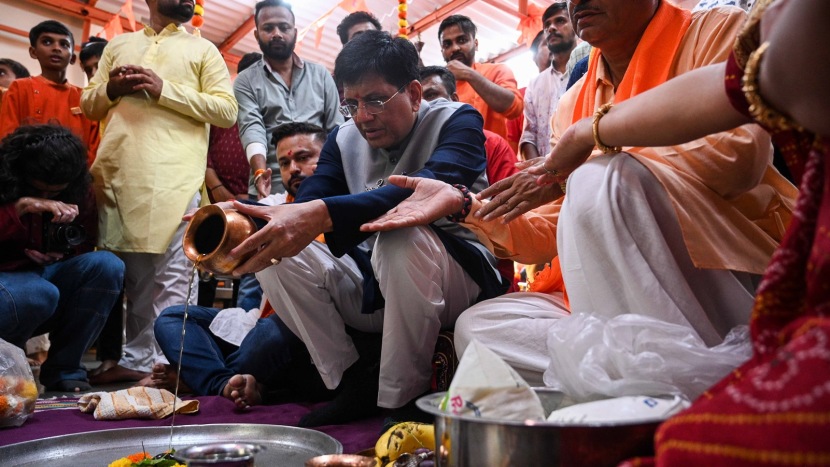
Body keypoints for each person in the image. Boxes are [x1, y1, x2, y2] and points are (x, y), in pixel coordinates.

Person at [362, 0, 796, 388]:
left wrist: (600, 145)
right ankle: (642, 383)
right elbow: (551, 231)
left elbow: (737, 160)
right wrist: (465, 205)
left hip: (724, 276)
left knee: (601, 180)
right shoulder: (571, 104)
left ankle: (664, 398)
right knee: (481, 330)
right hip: (606, 303)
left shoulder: (716, 28)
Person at [225, 30, 505, 426]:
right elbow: (308, 205)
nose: (362, 116)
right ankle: (351, 381)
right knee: (275, 250)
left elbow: (421, 196)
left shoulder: (458, 120)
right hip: (377, 278)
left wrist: (321, 214)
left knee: (402, 233)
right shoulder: (344, 138)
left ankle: (400, 398)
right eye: (351, 104)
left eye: (375, 100)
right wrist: (239, 217)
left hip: (458, 279)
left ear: (412, 92)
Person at [81, 0, 237, 385]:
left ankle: (174, 364)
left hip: (176, 176)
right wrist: (113, 89)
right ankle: (137, 359)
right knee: (135, 281)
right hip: (121, 174)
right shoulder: (118, 46)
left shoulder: (203, 49)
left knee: (175, 274)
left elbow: (226, 110)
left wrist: (163, 89)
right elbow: (87, 104)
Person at [153, 122, 326, 407]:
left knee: (269, 337)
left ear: (328, 156)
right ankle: (225, 383)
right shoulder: (275, 202)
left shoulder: (342, 204)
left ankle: (205, 378)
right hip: (258, 322)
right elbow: (241, 210)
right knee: (172, 319)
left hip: (305, 326)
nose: (293, 168)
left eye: (303, 157)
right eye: (285, 162)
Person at [0, 125, 124, 393]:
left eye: (54, 193)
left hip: (43, 278)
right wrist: (20, 208)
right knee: (38, 292)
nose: (45, 198)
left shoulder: (80, 190)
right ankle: (7, 364)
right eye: (37, 190)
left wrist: (58, 254)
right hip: (12, 282)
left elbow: (83, 241)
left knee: (108, 265)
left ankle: (65, 368)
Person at [234, 0, 343, 199]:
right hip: (268, 186)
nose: (277, 33)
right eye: (268, 28)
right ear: (257, 34)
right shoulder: (245, 81)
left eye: (283, 27)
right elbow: (252, 128)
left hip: (320, 182)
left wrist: (333, 176)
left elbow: (336, 130)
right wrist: (260, 172)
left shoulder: (321, 74)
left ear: (294, 31)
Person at [0, 21, 96, 166]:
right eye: (47, 42)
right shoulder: (19, 88)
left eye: (64, 44)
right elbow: (7, 139)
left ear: (72, 58)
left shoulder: (85, 96)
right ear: (33, 52)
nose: (56, 48)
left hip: (75, 179)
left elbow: (93, 148)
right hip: (27, 178)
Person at [438, 14, 523, 141]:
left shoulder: (497, 71)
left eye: (462, 40)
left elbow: (514, 108)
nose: (455, 48)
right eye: (447, 44)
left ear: (475, 44)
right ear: (442, 51)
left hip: (493, 158)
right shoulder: (438, 85)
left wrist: (468, 74)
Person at [519, 3, 577, 161]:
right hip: (545, 178)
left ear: (576, 24)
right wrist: (537, 171)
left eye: (560, 21)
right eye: (547, 25)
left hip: (585, 169)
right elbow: (529, 137)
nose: (551, 28)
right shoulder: (535, 84)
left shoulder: (589, 67)